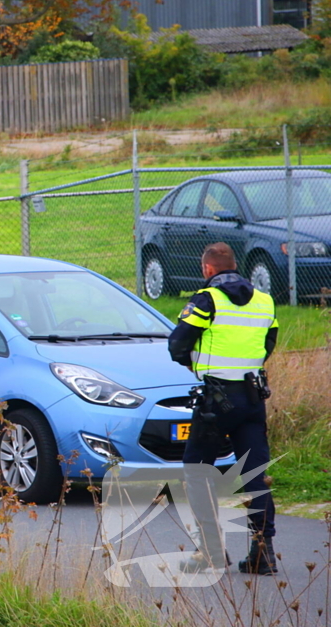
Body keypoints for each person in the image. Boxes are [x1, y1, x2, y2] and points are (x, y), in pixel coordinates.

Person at [168, 242, 278, 575]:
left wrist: (194, 363)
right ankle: (264, 553)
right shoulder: (264, 301)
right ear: (235, 266)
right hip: (252, 397)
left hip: (216, 399)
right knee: (255, 472)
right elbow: (268, 343)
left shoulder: (206, 299)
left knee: (197, 470)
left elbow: (177, 343)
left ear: (208, 270)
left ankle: (212, 552)